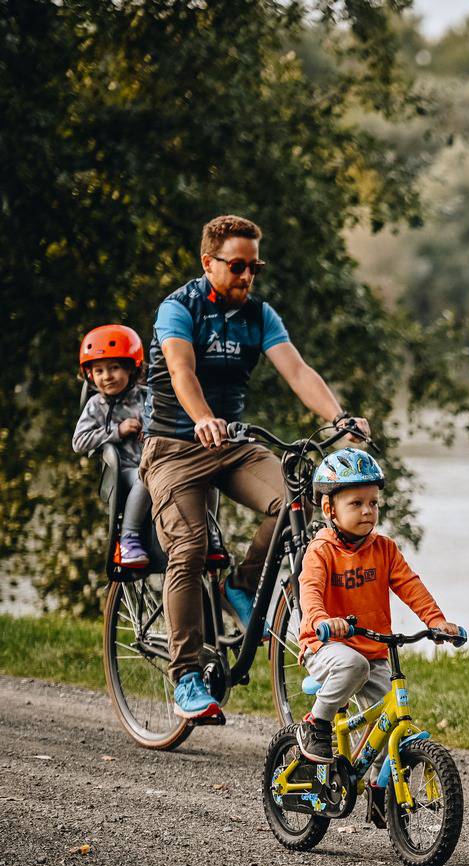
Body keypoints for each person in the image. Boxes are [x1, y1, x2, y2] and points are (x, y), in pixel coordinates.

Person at [140, 214, 368, 721]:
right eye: (237, 266)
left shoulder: (259, 315)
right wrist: (201, 419)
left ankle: (241, 585)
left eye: (253, 268)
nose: (247, 277)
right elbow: (181, 370)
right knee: (190, 548)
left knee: (303, 496)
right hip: (174, 447)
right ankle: (186, 676)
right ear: (209, 263)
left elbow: (297, 370)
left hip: (232, 445)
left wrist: (339, 417)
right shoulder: (179, 309)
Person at [295, 448, 461, 764]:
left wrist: (436, 621)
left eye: (373, 503)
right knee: (352, 665)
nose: (368, 511)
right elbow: (310, 591)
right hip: (325, 644)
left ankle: (380, 794)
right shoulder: (321, 551)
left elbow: (410, 585)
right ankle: (316, 724)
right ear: (329, 508)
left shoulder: (384, 549)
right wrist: (321, 620)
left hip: (372, 651)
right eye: (356, 504)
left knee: (394, 721)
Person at [73, 325, 154, 567]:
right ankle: (128, 540)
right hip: (125, 471)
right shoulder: (96, 405)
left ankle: (206, 541)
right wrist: (116, 431)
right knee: (145, 478)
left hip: (156, 462)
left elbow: (166, 419)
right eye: (98, 370)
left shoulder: (146, 396)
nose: (106, 376)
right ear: (89, 375)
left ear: (131, 368)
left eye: (114, 368)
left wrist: (151, 431)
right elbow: (79, 442)